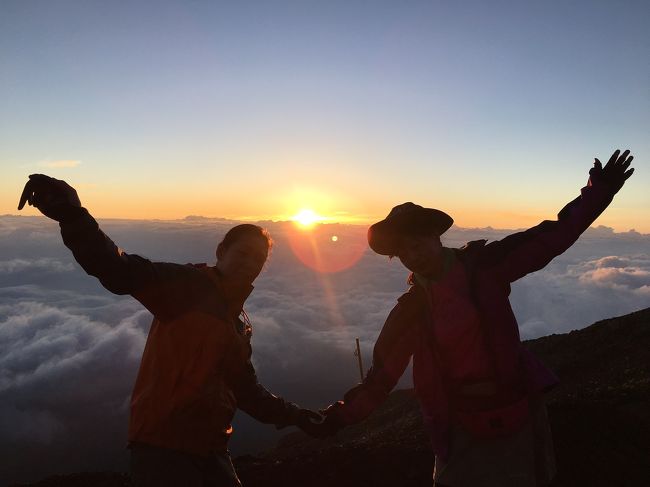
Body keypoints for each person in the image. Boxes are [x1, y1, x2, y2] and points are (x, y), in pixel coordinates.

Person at [313, 150, 635, 486]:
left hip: (516, 410)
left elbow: (551, 237)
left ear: (436, 238)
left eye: (418, 243)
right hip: (458, 425)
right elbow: (381, 379)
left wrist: (598, 191)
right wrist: (336, 419)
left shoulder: (486, 266)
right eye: (403, 252)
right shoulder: (412, 310)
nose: (412, 256)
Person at [17, 174, 322, 487]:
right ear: (221, 251)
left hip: (212, 450)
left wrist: (298, 417)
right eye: (243, 253)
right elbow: (118, 269)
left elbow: (247, 391)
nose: (249, 263)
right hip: (162, 450)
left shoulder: (237, 324)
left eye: (258, 259)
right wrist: (73, 216)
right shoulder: (187, 287)